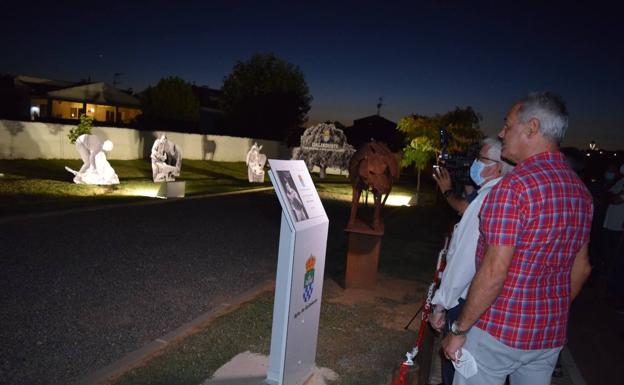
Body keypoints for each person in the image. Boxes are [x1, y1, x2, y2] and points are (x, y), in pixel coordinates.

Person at [441, 91, 593, 385]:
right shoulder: (580, 192)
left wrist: (459, 330)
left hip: (497, 333)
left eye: (507, 124)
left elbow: (494, 271)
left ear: (532, 127)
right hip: (547, 337)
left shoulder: (513, 188)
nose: (502, 132)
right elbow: (582, 268)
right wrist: (548, 311)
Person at [429, 137, 513, 385]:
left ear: (498, 167)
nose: (476, 163)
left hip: (465, 301)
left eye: (482, 159)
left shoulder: (489, 200)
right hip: (486, 303)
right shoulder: (497, 193)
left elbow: (463, 262)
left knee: (454, 369)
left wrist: (441, 304)